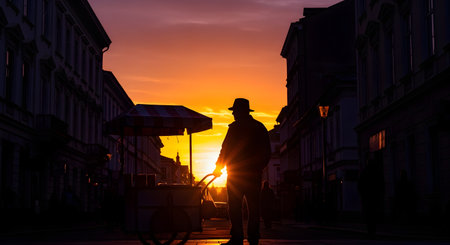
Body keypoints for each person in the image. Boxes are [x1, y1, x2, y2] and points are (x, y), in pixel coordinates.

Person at [213, 98, 271, 245]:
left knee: (234, 207)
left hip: (236, 174)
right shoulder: (259, 127)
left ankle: (237, 237)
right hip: (253, 175)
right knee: (253, 208)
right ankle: (253, 237)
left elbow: (225, 150)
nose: (233, 115)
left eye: (234, 112)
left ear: (240, 112)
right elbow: (267, 152)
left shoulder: (234, 128)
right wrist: (258, 168)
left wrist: (219, 167)